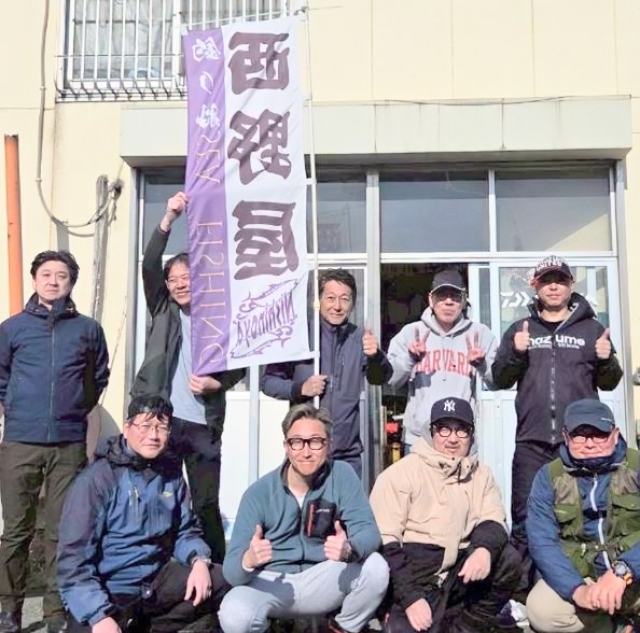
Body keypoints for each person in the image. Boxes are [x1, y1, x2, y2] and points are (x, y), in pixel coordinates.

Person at [491, 255, 623, 598]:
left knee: (581, 518)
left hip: (579, 446)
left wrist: (606, 359)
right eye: (547, 280)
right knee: (525, 523)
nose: (554, 286)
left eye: (560, 280)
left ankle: (585, 589)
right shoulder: (520, 329)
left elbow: (610, 382)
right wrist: (515, 352)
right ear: (535, 285)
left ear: (570, 286)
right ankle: (522, 599)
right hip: (531, 443)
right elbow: (499, 378)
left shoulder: (592, 329)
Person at [130, 191, 245, 563]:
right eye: (174, 279)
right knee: (159, 499)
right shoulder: (163, 309)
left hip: (203, 425)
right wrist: (168, 218)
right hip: (162, 421)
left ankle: (216, 575)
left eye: (187, 277)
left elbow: (240, 363)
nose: (180, 284)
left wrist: (218, 383)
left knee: (205, 504)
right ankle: (159, 570)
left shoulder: (218, 317)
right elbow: (150, 264)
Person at [0, 250, 110, 633]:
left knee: (61, 532)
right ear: (34, 280)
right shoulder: (12, 329)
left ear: (71, 282)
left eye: (61, 275)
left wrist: (74, 408)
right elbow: (1, 379)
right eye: (46, 274)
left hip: (68, 442)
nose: (53, 281)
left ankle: (55, 611)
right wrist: (18, 409)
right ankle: (8, 610)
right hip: (20, 441)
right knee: (15, 531)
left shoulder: (87, 330)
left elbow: (97, 379)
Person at [57, 395, 229, 633]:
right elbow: (73, 561)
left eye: (162, 427)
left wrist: (199, 560)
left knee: (224, 580)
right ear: (127, 428)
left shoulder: (171, 473)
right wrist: (98, 616)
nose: (153, 435)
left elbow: (185, 531)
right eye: (145, 426)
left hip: (155, 582)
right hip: (110, 588)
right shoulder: (96, 480)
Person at [219, 403, 389, 633]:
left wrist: (349, 548)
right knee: (233, 613)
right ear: (286, 447)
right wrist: (248, 559)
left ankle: (340, 628)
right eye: (297, 442)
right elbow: (231, 571)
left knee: (376, 567)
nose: (306, 452)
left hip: (324, 576)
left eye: (316, 442)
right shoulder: (259, 493)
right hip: (273, 581)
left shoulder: (342, 475)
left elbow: (369, 532)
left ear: (328, 445)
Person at [370, 397, 521, 633]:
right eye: (444, 429)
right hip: (414, 573)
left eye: (462, 430)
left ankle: (466, 627)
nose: (452, 438)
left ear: (471, 434)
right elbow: (386, 543)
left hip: (458, 572)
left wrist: (484, 550)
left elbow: (494, 519)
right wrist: (410, 598)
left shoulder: (482, 474)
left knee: (508, 559)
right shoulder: (398, 474)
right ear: (432, 432)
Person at [261, 268, 392, 477]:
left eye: (344, 299)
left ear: (352, 304)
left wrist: (376, 356)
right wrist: (300, 389)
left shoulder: (359, 338)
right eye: (330, 298)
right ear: (319, 300)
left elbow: (380, 378)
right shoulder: (300, 337)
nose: (337, 306)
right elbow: (268, 382)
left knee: (346, 500)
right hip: (306, 451)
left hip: (346, 455)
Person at [526, 398, 640, 633]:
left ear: (615, 434)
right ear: (566, 437)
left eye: (599, 434)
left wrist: (623, 569)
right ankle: (614, 627)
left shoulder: (636, 466)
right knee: (542, 612)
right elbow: (542, 541)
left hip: (634, 572)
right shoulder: (548, 477)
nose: (589, 444)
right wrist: (577, 590)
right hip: (585, 577)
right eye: (580, 435)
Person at [386, 268, 498, 450]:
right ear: (431, 299)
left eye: (455, 296)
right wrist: (410, 359)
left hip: (461, 438)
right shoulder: (411, 333)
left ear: (464, 300)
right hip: (419, 440)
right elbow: (391, 381)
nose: (448, 302)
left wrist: (482, 365)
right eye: (442, 296)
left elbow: (497, 382)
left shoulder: (480, 334)